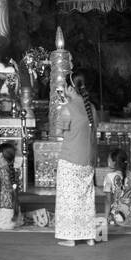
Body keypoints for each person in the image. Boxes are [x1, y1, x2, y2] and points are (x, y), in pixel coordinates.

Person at [54, 76, 99, 247]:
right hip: (88, 161)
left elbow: (59, 132)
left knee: (68, 200)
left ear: (70, 88)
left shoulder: (67, 108)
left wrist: (63, 104)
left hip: (70, 159)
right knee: (86, 199)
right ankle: (89, 236)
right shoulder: (91, 108)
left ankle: (70, 237)